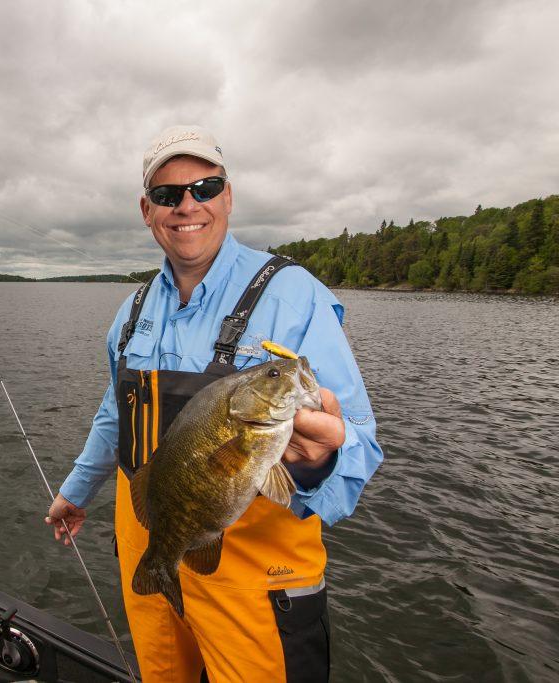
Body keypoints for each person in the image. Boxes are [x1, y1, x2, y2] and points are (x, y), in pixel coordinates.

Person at [45, 125, 382, 683]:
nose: (187, 206)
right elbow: (116, 417)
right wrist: (75, 493)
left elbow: (361, 444)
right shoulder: (130, 312)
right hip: (152, 547)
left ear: (228, 196)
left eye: (204, 187)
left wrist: (316, 461)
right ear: (146, 210)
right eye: (168, 194)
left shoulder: (294, 294)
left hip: (256, 581)